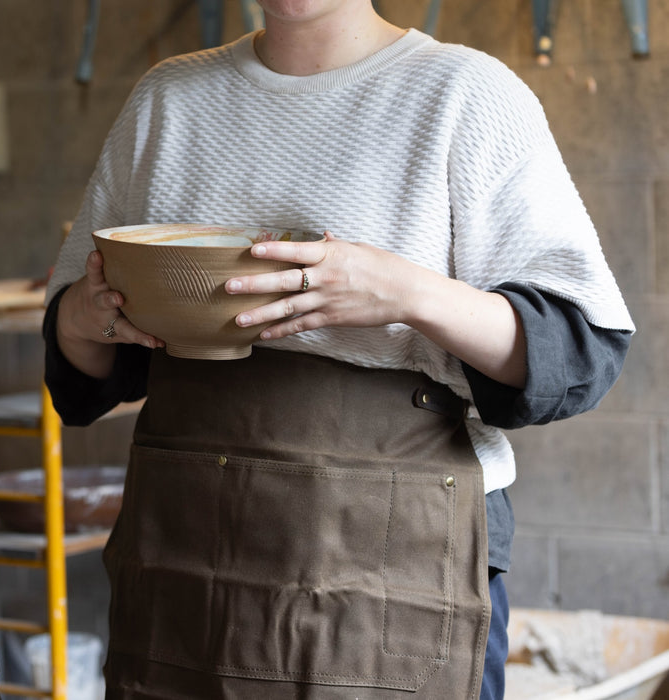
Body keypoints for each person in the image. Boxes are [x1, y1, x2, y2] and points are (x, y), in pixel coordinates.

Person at [42, 1, 634, 698]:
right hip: (187, 552)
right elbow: (84, 374)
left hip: (397, 558)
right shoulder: (167, 100)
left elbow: (576, 349)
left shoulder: (467, 93)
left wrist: (406, 292)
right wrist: (83, 321)